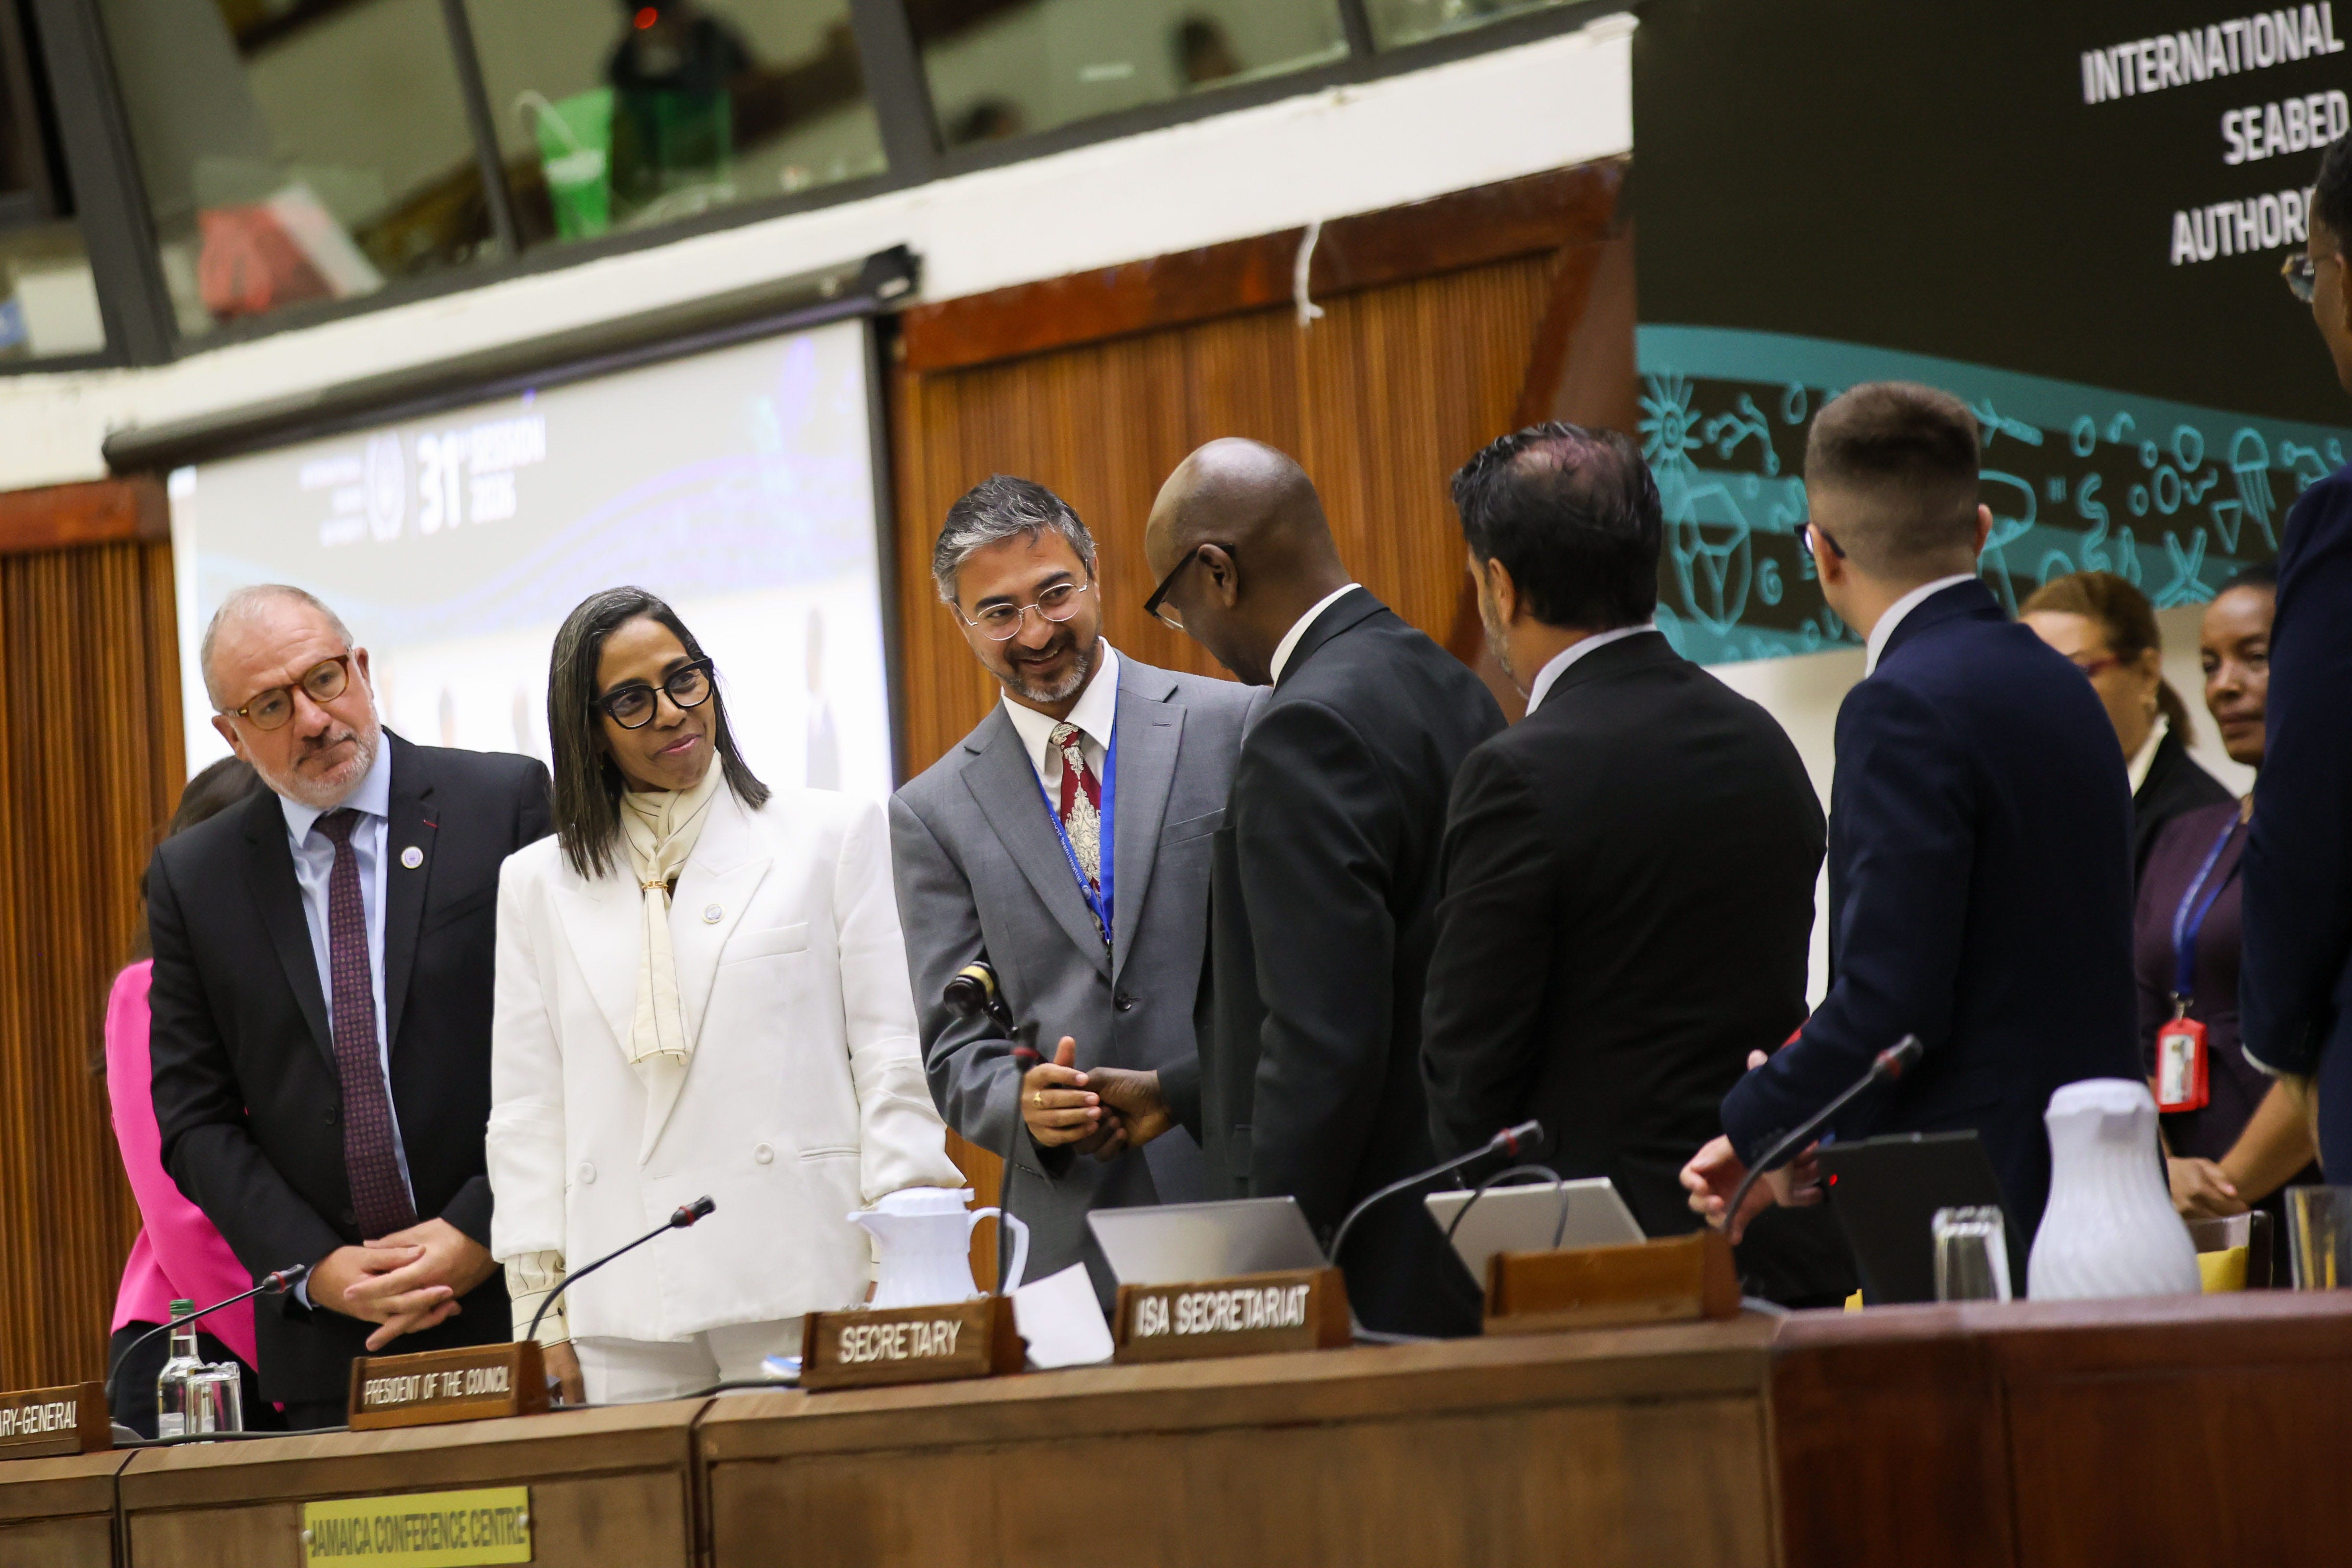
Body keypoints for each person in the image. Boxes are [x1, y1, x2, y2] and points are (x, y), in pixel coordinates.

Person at [1681, 383, 2141, 1254]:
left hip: (1973, 1206)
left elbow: (1894, 1004)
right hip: (2109, 1184)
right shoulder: (2067, 688)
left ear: (1822, 552)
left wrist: (1758, 1118)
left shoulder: (1898, 706)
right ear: (1981, 528)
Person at [488, 588, 961, 1406]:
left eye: (685, 680)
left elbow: (891, 1061)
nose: (673, 712)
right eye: (633, 701)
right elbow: (529, 1109)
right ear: (588, 729)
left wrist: (907, 1259)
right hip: (618, 1297)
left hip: (805, 1268)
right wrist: (540, 1314)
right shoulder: (536, 881)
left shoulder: (831, 833)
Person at [1419, 424, 1852, 1306]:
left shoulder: (1515, 775)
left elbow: (1468, 1077)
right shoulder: (1762, 742)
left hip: (1605, 1266)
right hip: (1778, 1231)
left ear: (1501, 586)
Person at [1088, 438, 1505, 1337]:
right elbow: (1407, 968)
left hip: (1365, 1252)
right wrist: (1182, 1090)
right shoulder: (1450, 682)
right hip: (1466, 1215)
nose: (1189, 634)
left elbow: (1325, 1037)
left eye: (1174, 607)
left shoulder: (1301, 727)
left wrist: (1261, 1271)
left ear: (1218, 572)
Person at [147, 585, 553, 1428]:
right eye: (270, 705)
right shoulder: (196, 880)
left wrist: (484, 1225)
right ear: (230, 734)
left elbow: (572, 1043)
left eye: (325, 679)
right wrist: (316, 1268)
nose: (312, 719)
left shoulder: (502, 803)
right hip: (336, 1347)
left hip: (521, 1299)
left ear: (361, 668)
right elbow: (194, 1121)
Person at [890, 478, 1260, 1304]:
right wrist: (1017, 1103)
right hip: (1068, 1234)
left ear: (1094, 573)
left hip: (1236, 1181)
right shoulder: (931, 813)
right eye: (998, 613)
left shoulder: (1236, 725)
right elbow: (954, 1050)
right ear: (960, 622)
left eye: (1054, 594)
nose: (1035, 633)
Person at [2136, 564, 2319, 1230]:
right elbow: (2135, 1024)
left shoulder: (2330, 831)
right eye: (2211, 665)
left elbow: (2331, 1037)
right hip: (2178, 1209)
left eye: (2255, 657)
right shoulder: (2184, 834)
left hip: (2307, 1201)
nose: (2224, 685)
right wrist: (2160, 1174)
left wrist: (2223, 1195)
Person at [105, 757, 279, 1437]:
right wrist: (296, 1356)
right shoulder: (146, 991)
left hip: (309, 1330)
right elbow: (182, 1217)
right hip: (195, 1340)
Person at [2245, 135, 2352, 1176]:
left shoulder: (2342, 522)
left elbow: (2312, 805)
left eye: (2307, 274)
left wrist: (2285, 1044)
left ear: (2347, 287)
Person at [2022, 571, 2230, 880]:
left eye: (2073, 673)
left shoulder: (2201, 823)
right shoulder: (2024, 811)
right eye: (2026, 677)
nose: (2043, 697)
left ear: (2147, 674)